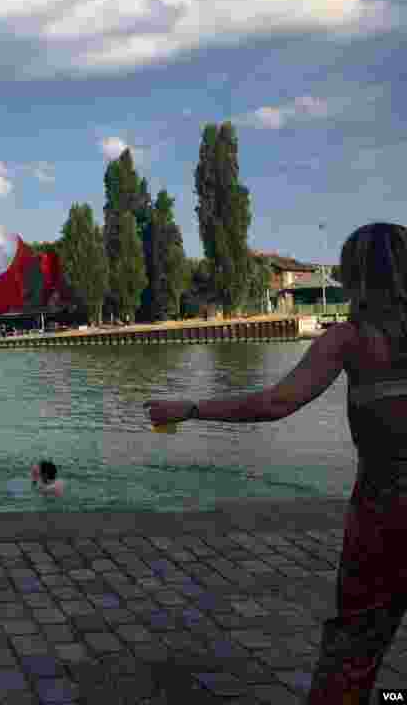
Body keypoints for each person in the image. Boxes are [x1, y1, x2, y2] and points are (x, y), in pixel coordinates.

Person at [144, 222, 407, 705]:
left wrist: (191, 408)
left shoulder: (351, 339)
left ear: (354, 277)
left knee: (355, 646)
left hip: (386, 517)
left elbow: (275, 403)